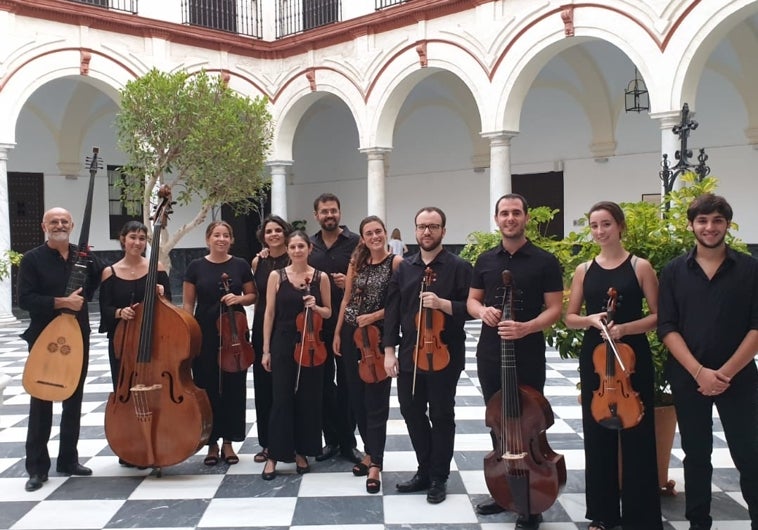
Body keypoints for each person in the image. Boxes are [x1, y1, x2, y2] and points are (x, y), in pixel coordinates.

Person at [658, 193, 758, 530]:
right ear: (691, 225)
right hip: (689, 376)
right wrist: (700, 372)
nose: (710, 227)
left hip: (740, 377)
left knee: (750, 455)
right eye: (702, 220)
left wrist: (724, 373)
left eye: (717, 220)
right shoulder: (673, 271)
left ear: (727, 224)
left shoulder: (751, 268)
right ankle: (698, 523)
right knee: (696, 455)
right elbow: (667, 327)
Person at [466, 193, 563, 529]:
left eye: (516, 213)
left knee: (526, 423)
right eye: (504, 213)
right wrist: (483, 311)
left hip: (528, 353)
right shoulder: (485, 260)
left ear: (526, 218)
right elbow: (472, 301)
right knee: (499, 422)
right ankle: (503, 490)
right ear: (497, 219)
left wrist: (527, 327)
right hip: (491, 354)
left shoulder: (545, 260)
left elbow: (555, 308)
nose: (510, 218)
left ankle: (530, 503)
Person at [564, 201, 662, 530]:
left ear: (620, 226)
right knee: (598, 435)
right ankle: (603, 514)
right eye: (594, 225)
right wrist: (592, 320)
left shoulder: (640, 267)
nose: (600, 231)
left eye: (606, 224)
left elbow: (659, 316)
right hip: (596, 357)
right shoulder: (583, 270)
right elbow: (570, 317)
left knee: (638, 435)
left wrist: (626, 328)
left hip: (632, 357)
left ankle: (641, 516)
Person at [383, 206, 472, 504]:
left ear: (443, 231)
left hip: (446, 353)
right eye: (422, 226)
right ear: (415, 230)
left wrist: (443, 304)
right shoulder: (405, 267)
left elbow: (471, 308)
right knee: (410, 410)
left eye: (433, 226)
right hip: (410, 352)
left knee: (442, 415)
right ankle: (424, 468)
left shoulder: (460, 267)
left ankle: (439, 476)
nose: (427, 232)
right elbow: (393, 310)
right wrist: (388, 351)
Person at [18, 207, 101, 492]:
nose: (60, 224)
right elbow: (25, 300)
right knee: (41, 399)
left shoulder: (84, 256)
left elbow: (102, 277)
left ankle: (68, 460)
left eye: (65, 220)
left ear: (73, 224)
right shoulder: (32, 259)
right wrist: (61, 303)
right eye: (54, 221)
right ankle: (37, 468)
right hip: (44, 337)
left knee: (73, 399)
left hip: (77, 336)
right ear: (44, 225)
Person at [334, 216, 403, 493]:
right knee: (357, 399)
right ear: (362, 238)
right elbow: (346, 299)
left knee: (376, 402)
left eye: (378, 231)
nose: (374, 236)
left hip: (376, 340)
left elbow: (399, 305)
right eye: (369, 233)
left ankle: (376, 462)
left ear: (385, 234)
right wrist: (338, 332)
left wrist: (373, 315)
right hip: (352, 336)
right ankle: (369, 452)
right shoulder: (356, 263)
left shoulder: (396, 263)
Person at [183, 221, 256, 466]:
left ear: (231, 240)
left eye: (226, 235)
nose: (221, 239)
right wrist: (187, 335)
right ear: (208, 239)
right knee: (207, 385)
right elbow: (187, 305)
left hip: (235, 335)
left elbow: (252, 295)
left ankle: (229, 442)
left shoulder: (240, 265)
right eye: (217, 235)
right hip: (205, 333)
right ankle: (211, 443)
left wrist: (238, 297)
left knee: (235, 387)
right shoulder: (195, 266)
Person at [261, 230, 332, 479]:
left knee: (307, 400)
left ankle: (301, 451)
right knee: (281, 399)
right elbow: (269, 313)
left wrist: (317, 306)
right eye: (293, 247)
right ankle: (274, 456)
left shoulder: (321, 277)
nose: (297, 250)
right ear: (288, 250)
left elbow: (329, 313)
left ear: (309, 249)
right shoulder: (276, 276)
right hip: (282, 341)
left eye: (301, 246)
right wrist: (266, 350)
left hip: (311, 344)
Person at [309, 193, 362, 464]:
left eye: (333, 211)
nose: (329, 215)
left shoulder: (355, 243)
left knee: (348, 384)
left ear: (339, 212)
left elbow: (368, 278)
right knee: (323, 386)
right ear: (316, 215)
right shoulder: (308, 245)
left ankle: (348, 441)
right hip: (316, 328)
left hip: (348, 326)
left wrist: (350, 283)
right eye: (324, 211)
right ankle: (330, 439)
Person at [99, 221, 172, 391]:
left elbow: (169, 305)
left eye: (142, 238)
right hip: (123, 340)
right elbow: (105, 309)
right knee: (123, 385)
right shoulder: (110, 272)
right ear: (123, 239)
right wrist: (119, 312)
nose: (137, 243)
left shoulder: (157, 268)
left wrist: (162, 294)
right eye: (133, 237)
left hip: (154, 338)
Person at [250, 215, 292, 463]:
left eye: (278, 230)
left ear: (285, 233)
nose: (274, 234)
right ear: (263, 236)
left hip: (288, 325)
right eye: (269, 231)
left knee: (286, 388)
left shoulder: (295, 255)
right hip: (263, 326)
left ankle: (291, 442)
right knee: (264, 387)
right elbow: (256, 297)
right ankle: (267, 443)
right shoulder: (259, 261)